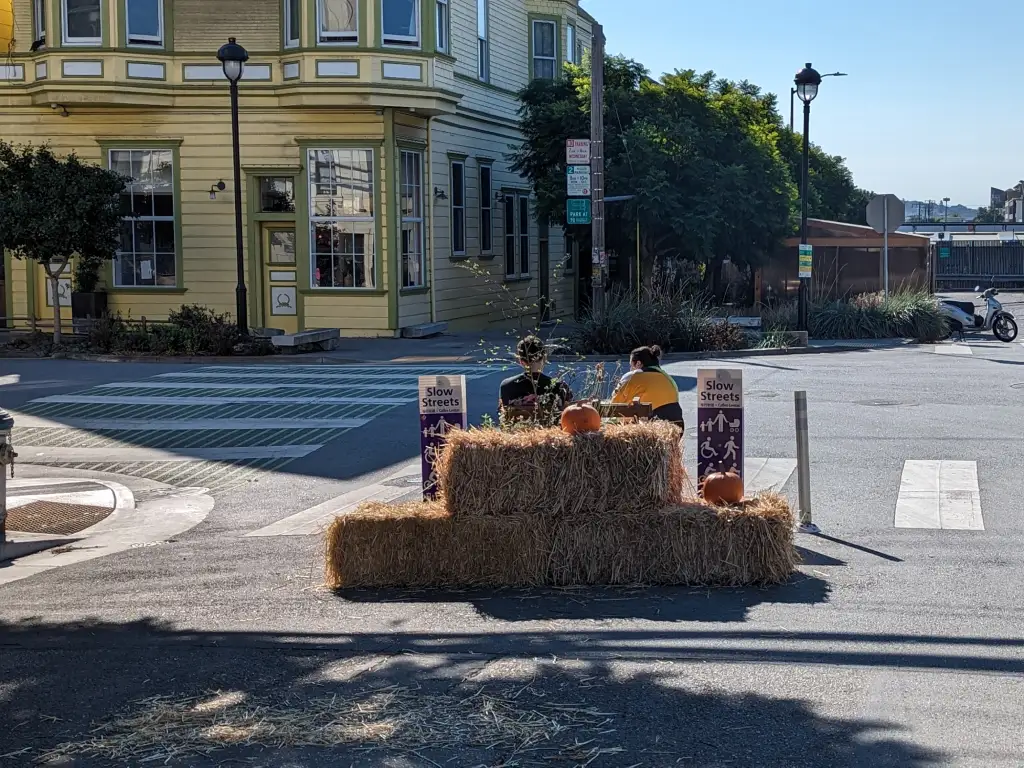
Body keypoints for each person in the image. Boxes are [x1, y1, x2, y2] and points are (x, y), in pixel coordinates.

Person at [611, 345, 685, 427]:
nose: (630, 369)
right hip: (676, 427)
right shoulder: (668, 378)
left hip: (651, 427)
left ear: (638, 363)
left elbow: (614, 406)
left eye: (631, 365)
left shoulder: (633, 376)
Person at [499, 335, 574, 410]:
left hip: (518, 421)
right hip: (549, 421)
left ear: (521, 361)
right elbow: (568, 414)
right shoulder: (560, 387)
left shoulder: (506, 386)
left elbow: (502, 413)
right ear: (544, 358)